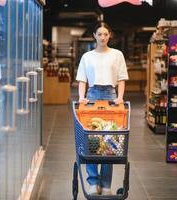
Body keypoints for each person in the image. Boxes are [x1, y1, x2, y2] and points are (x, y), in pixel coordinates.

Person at [76, 22, 128, 195]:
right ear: (94, 35)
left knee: (109, 143)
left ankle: (106, 185)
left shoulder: (117, 55)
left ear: (110, 35)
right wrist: (82, 97)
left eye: (106, 34)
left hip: (110, 95)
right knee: (91, 141)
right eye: (99, 34)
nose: (103, 37)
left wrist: (119, 97)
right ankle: (93, 182)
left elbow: (121, 79)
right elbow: (82, 79)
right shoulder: (87, 56)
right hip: (92, 95)